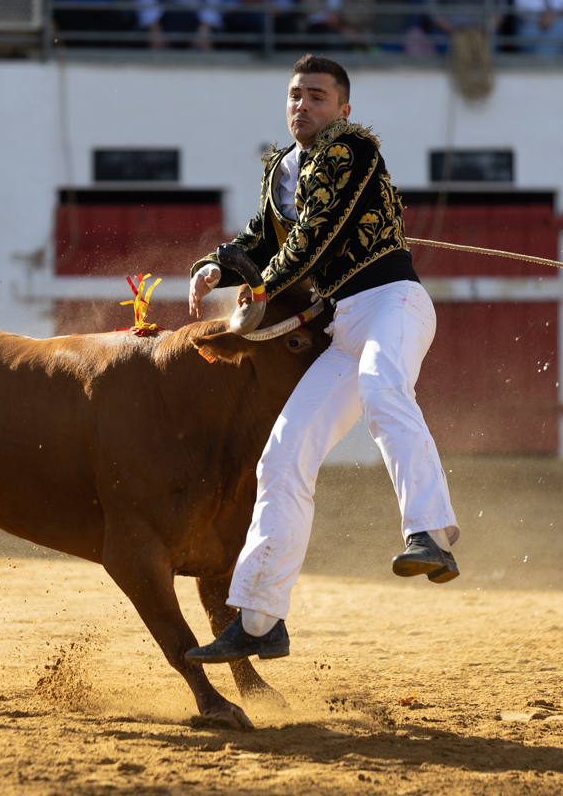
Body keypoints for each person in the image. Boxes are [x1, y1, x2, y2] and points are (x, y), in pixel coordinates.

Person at [184, 55, 461, 664]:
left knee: (384, 387)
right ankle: (259, 619)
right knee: (282, 456)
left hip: (394, 302)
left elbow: (313, 237)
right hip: (344, 326)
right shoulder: (283, 168)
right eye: (294, 95)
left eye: (316, 95)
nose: (301, 105)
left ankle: (432, 534)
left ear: (343, 109)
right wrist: (219, 264)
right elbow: (262, 236)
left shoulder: (351, 151)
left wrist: (252, 300)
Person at [136, 0, 224, 49]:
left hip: (198, 20)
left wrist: (204, 32)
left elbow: (213, 1)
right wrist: (155, 31)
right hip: (161, 20)